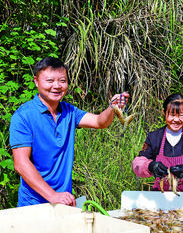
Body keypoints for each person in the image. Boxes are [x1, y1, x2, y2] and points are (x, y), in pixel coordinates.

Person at [9, 57, 129, 207]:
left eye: (62, 81)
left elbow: (100, 122)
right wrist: (52, 195)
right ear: (36, 81)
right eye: (50, 81)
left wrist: (112, 108)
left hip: (64, 201)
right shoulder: (23, 116)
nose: (57, 86)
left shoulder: (69, 111)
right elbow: (21, 163)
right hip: (33, 204)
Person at [132, 93, 183, 194]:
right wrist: (151, 166)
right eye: (172, 115)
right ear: (164, 112)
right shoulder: (154, 137)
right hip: (160, 198)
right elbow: (137, 163)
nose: (176, 120)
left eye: (181, 115)